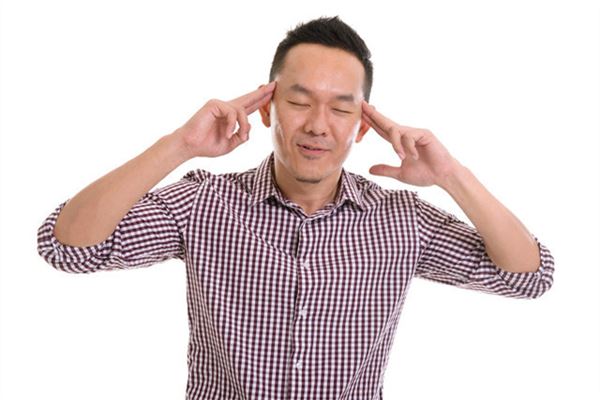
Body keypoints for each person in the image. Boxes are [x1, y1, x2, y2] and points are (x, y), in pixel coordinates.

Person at [37, 16, 555, 400]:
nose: (317, 125)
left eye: (341, 107)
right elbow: (68, 247)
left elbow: (528, 276)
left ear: (362, 126)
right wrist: (180, 146)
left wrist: (451, 176)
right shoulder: (204, 202)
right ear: (267, 109)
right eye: (300, 101)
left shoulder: (402, 220)